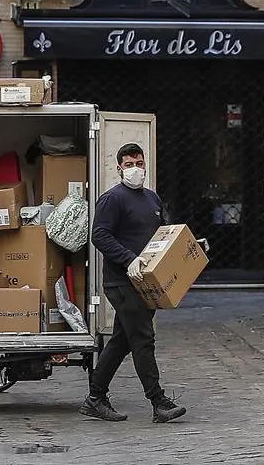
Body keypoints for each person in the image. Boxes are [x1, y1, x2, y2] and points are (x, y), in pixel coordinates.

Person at [79, 143, 187, 423]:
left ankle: (94, 398)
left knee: (121, 341)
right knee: (143, 338)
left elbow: (161, 235)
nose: (135, 169)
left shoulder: (152, 199)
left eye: (139, 163)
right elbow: (100, 235)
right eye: (129, 165)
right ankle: (158, 401)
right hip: (122, 281)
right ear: (119, 169)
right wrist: (129, 259)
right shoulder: (112, 199)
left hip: (145, 281)